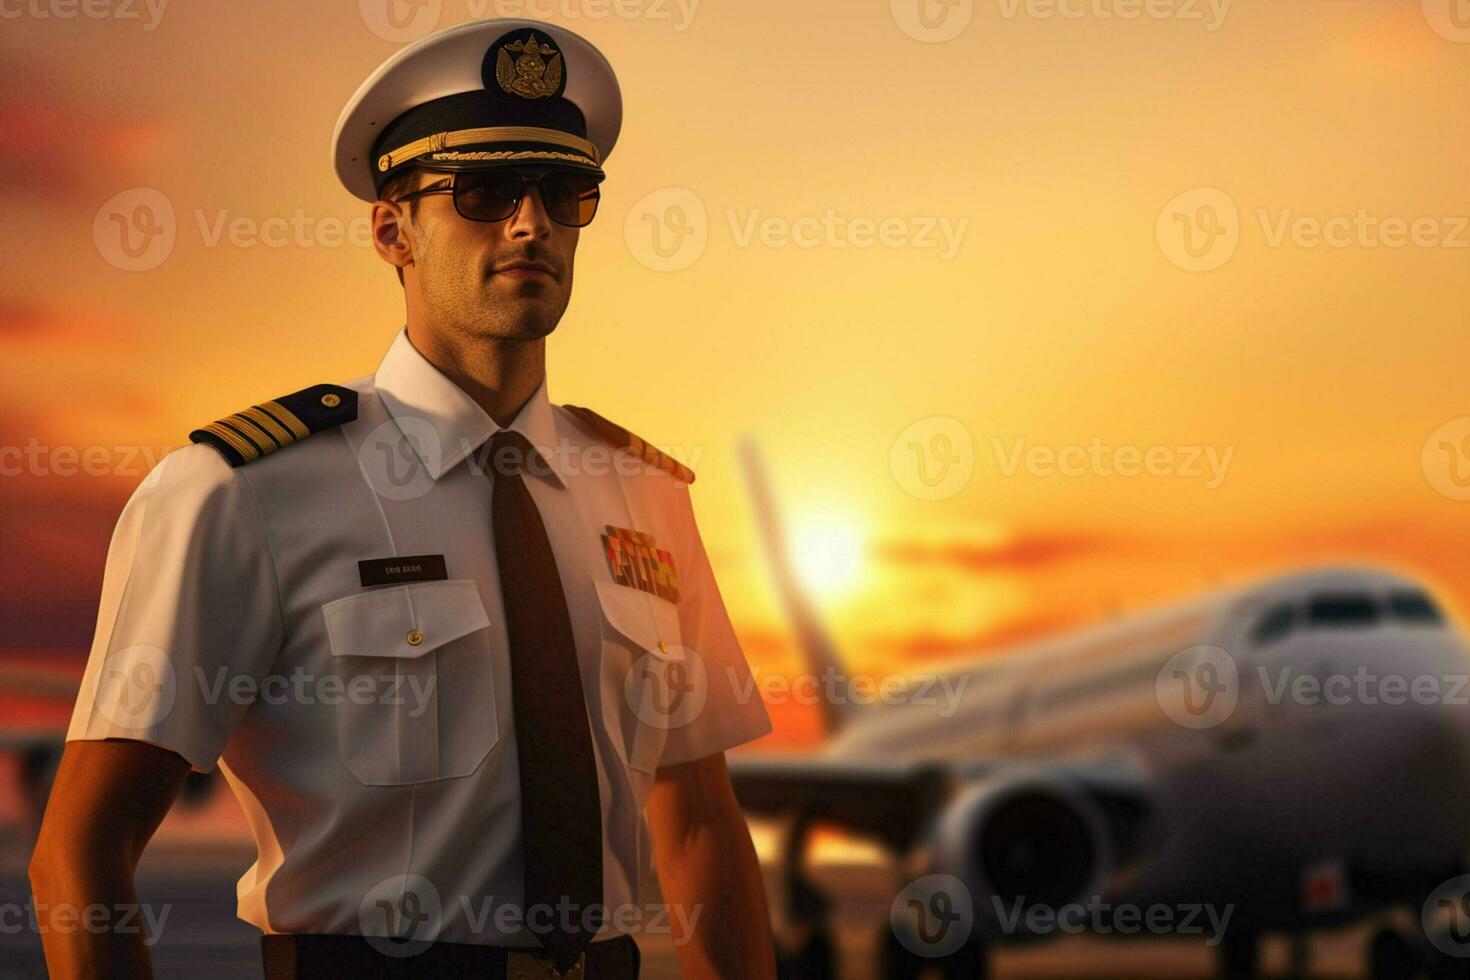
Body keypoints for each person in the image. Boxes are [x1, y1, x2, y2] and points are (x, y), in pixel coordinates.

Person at [29, 18, 777, 979]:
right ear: (392, 230)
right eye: (484, 191)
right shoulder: (241, 494)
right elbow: (81, 850)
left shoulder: (645, 499)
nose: (530, 224)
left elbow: (701, 829)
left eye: (563, 192)